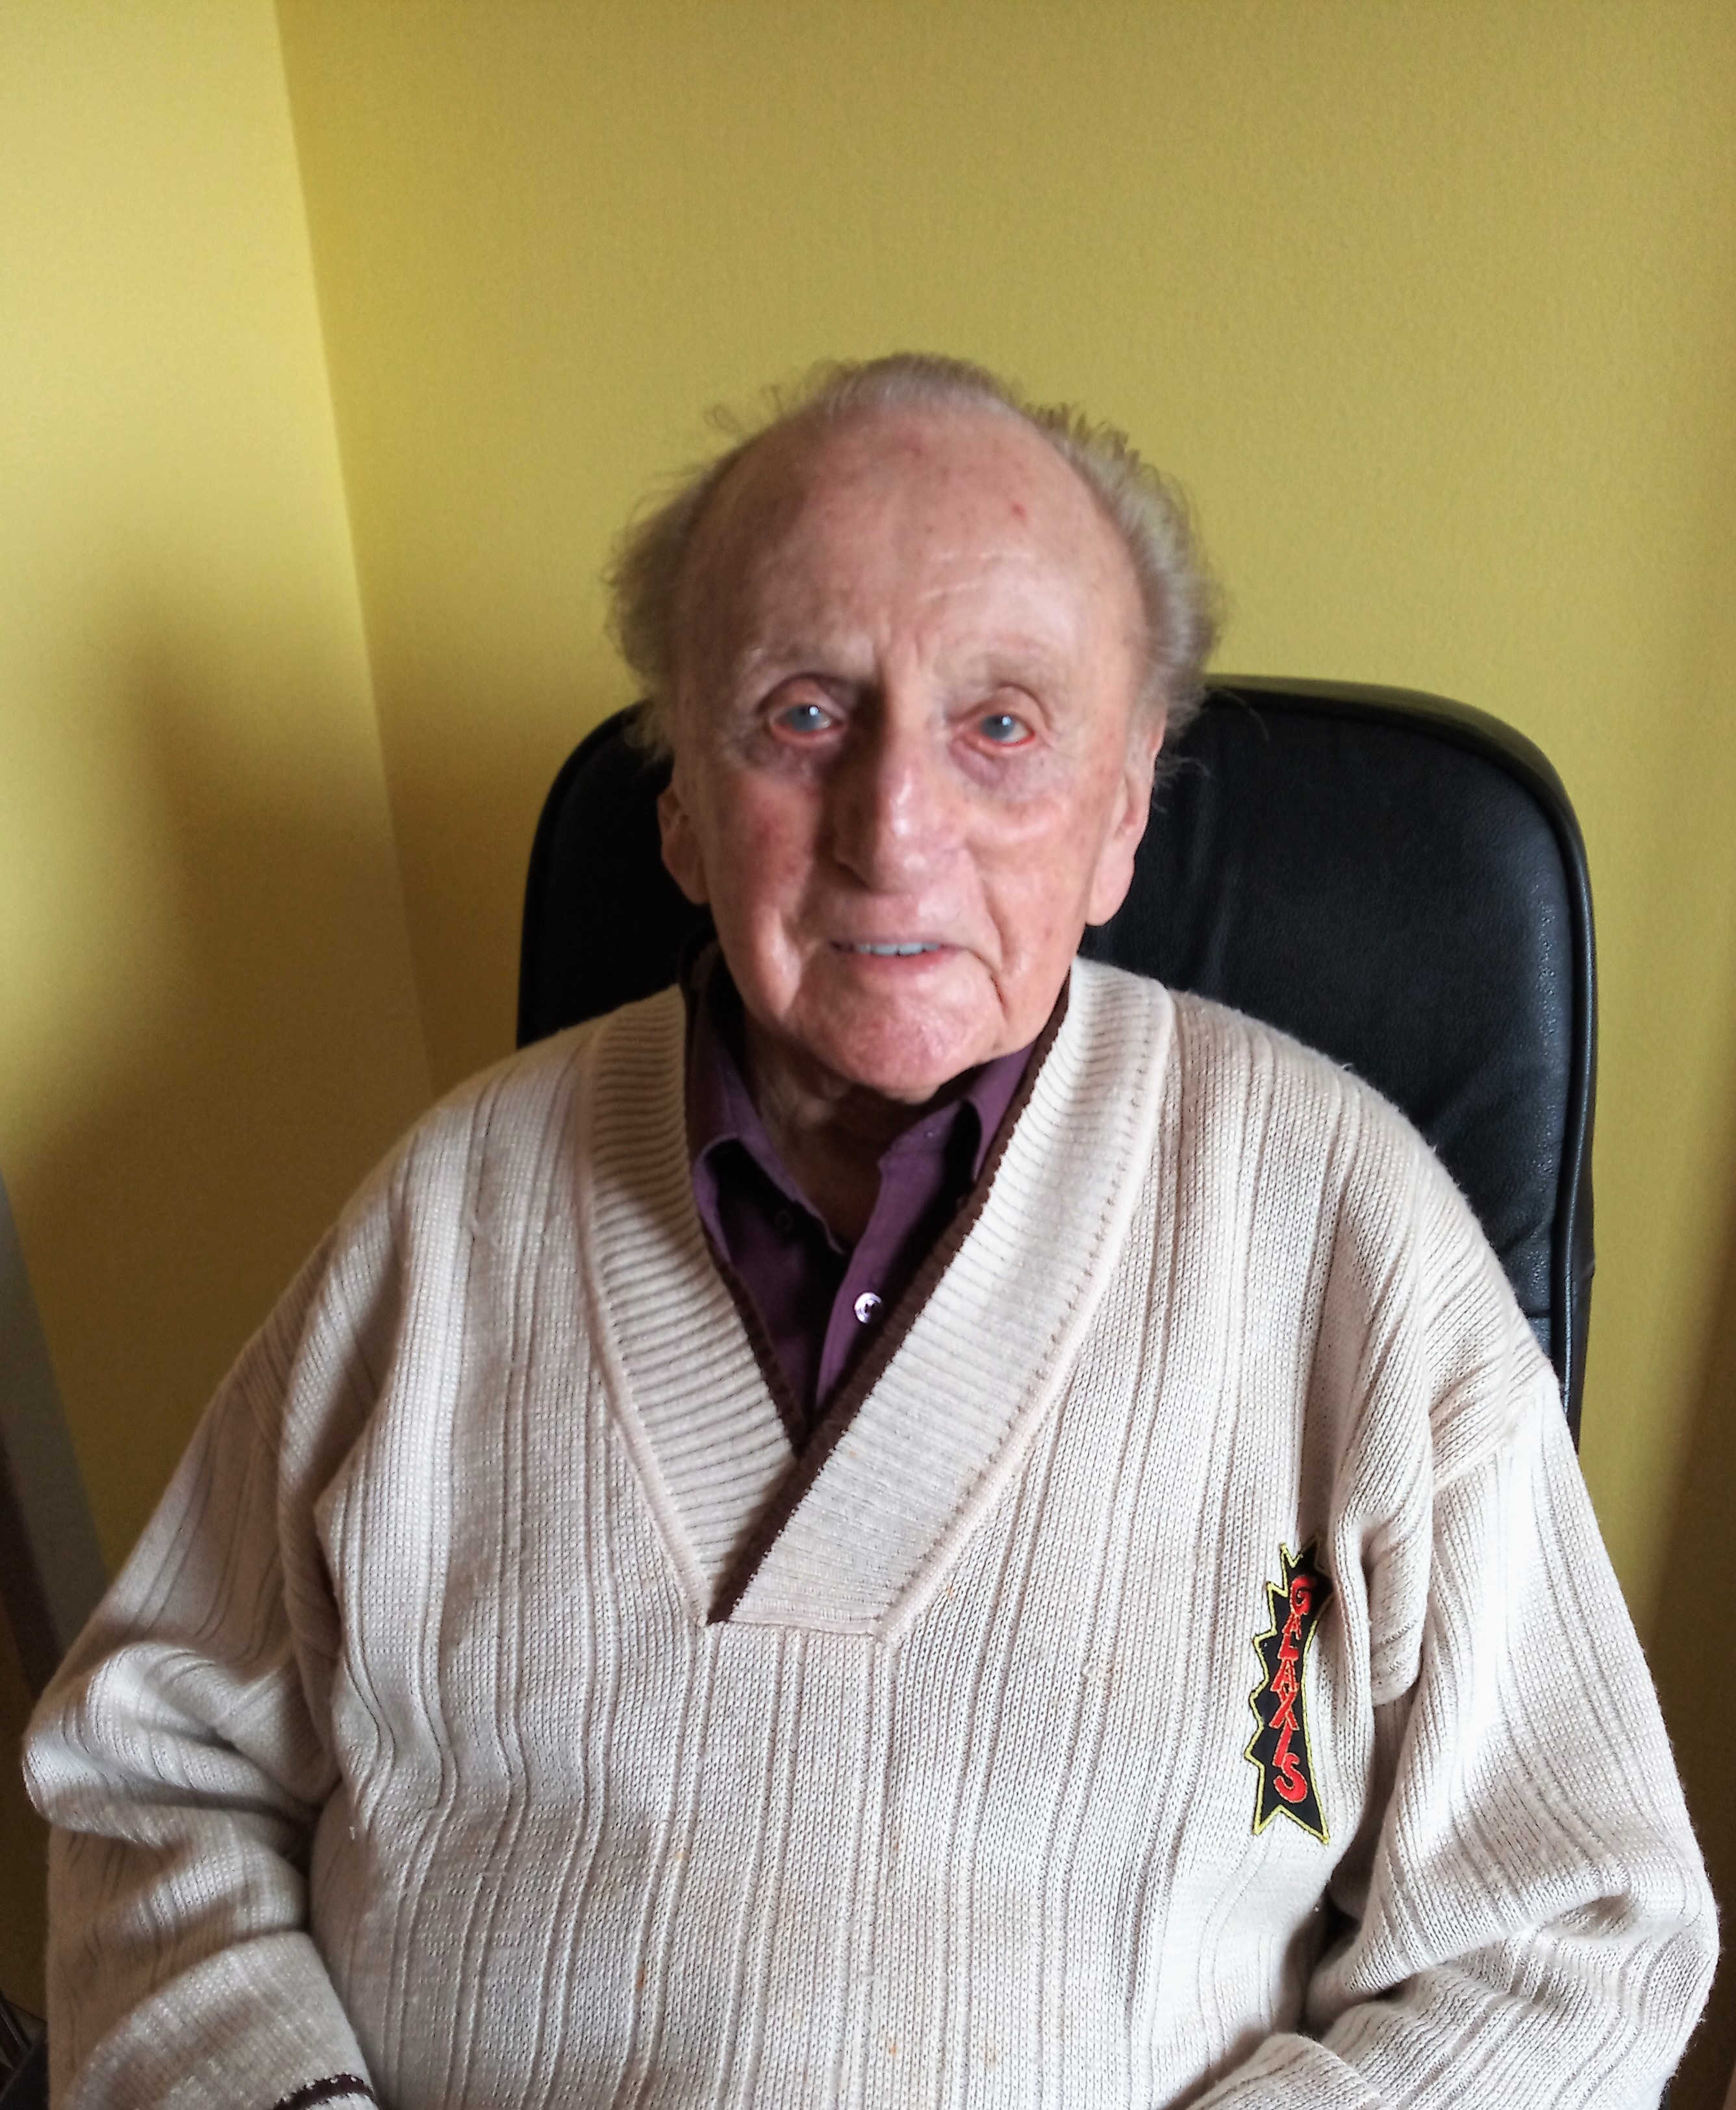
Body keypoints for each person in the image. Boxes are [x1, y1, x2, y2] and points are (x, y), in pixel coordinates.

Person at [26, 355, 1715, 2109]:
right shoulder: (442, 1217)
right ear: (680, 803)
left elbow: (1573, 1936)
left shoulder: (1345, 1230)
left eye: (1002, 726)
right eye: (804, 715)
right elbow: (155, 1784)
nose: (892, 836)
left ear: (1125, 810)